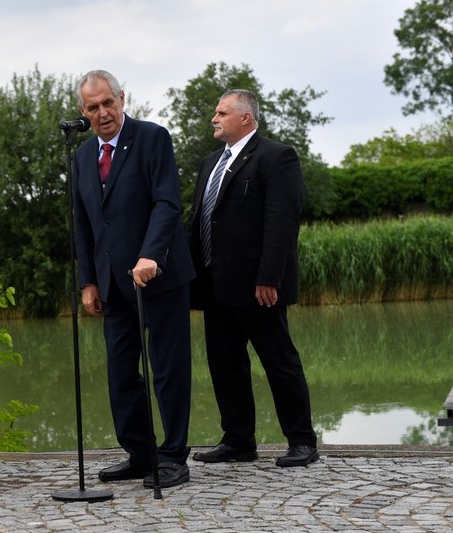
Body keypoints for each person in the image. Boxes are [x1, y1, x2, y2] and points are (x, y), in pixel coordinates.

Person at [72, 70, 195, 488]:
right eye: (93, 107)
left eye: (108, 102)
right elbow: (83, 224)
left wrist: (150, 254)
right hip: (112, 284)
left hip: (159, 275)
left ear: (122, 98)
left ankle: (174, 456)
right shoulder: (82, 157)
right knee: (121, 372)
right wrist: (88, 281)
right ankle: (141, 454)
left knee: (167, 368)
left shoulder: (152, 138)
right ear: (83, 112)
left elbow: (167, 201)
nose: (102, 113)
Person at [188, 89, 319, 468]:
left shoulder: (276, 157)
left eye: (222, 112)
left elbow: (281, 223)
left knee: (279, 361)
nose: (214, 118)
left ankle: (302, 441)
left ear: (245, 118)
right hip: (215, 285)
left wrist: (269, 277)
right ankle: (238, 441)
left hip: (258, 286)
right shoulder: (211, 162)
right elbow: (198, 220)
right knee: (225, 364)